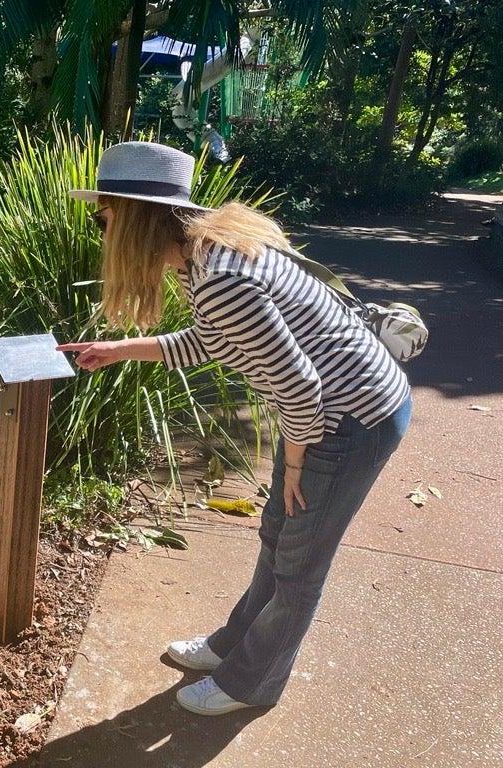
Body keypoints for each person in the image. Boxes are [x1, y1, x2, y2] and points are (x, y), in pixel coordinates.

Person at [57, 141, 412, 716]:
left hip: (350, 421)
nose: (98, 232)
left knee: (299, 562)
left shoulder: (221, 276)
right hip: (329, 415)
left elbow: (301, 390)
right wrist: (121, 349)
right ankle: (232, 647)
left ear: (136, 221)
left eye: (103, 219)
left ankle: (252, 684)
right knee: (278, 539)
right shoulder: (204, 256)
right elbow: (212, 340)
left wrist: (294, 464)